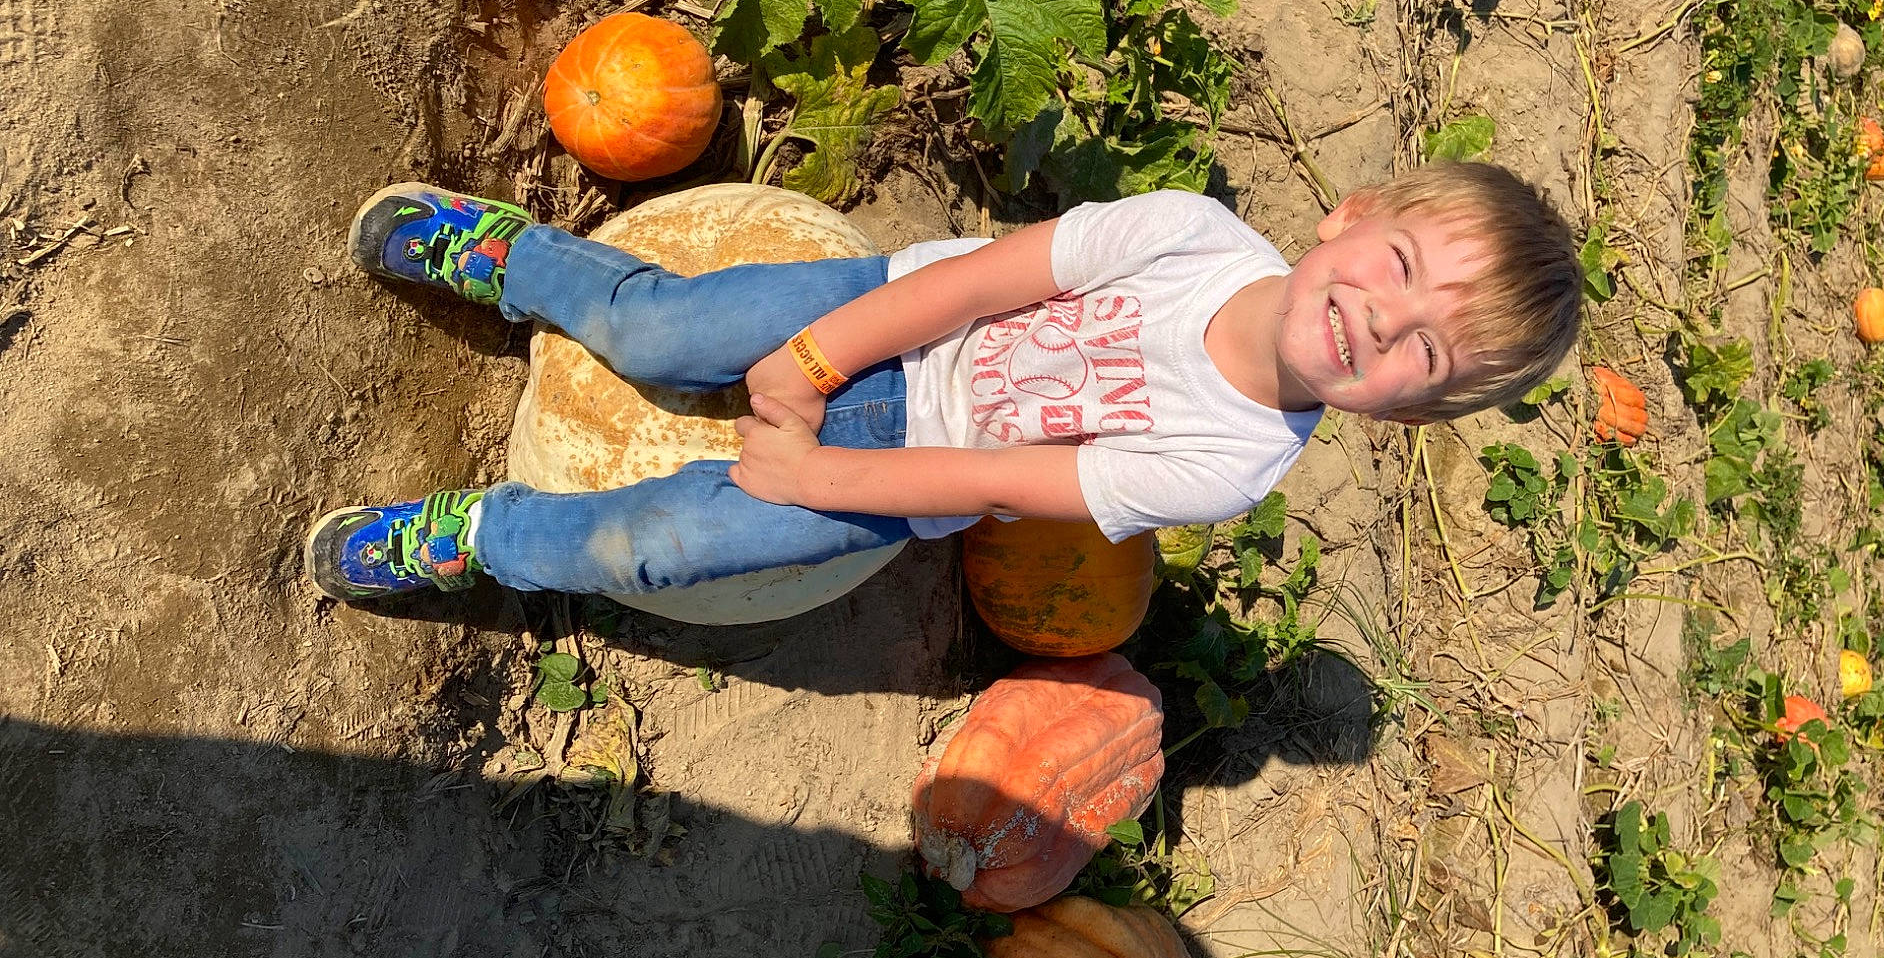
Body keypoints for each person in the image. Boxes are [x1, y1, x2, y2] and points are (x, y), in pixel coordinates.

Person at [305, 165, 1581, 602]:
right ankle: (511, 254)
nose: (1378, 321)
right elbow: (977, 284)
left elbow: (995, 479)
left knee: (660, 548)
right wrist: (815, 357)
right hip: (884, 318)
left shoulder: (1230, 464)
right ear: (1353, 216)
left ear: (1404, 410)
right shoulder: (1190, 235)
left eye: (1420, 350)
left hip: (904, 469)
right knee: (663, 331)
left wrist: (817, 474)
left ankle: (482, 538)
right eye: (1399, 266)